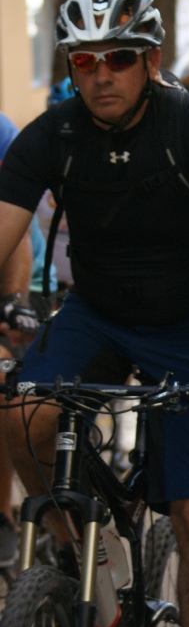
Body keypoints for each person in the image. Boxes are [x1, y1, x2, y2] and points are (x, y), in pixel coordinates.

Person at [0, 0, 189, 627]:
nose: (101, 74)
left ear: (150, 61)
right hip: (98, 315)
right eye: (84, 60)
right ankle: (78, 554)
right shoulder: (53, 135)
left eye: (118, 57)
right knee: (22, 415)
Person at [0, 112, 41, 570]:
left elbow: (16, 232)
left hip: (20, 285)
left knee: (3, 382)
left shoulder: (2, 134)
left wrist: (13, 300)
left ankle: (2, 518)